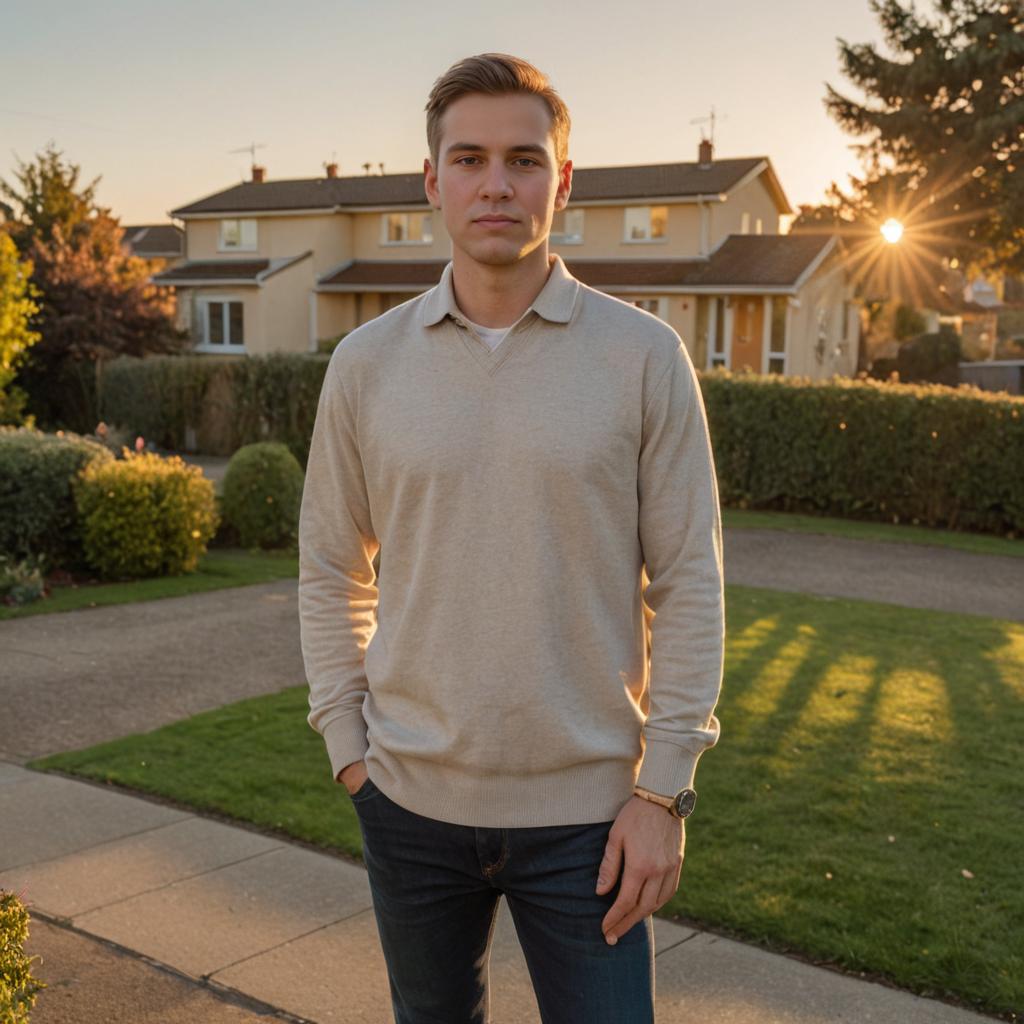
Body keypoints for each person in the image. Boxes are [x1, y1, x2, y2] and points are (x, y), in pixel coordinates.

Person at [298, 52, 725, 1024]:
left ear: (562, 181)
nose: (497, 182)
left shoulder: (642, 357)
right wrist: (348, 747)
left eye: (525, 159)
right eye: (471, 158)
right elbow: (331, 566)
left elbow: (689, 582)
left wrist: (662, 794)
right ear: (432, 181)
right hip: (406, 805)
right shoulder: (365, 365)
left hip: (591, 821)